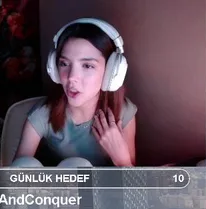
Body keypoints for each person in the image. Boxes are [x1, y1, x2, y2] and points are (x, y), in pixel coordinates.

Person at [11, 18, 137, 167]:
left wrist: (123, 160)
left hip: (101, 183)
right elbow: (17, 172)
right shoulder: (43, 113)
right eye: (64, 63)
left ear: (112, 72)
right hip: (50, 182)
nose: (71, 77)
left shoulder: (123, 113)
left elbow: (131, 180)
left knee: (78, 166)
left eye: (87, 66)